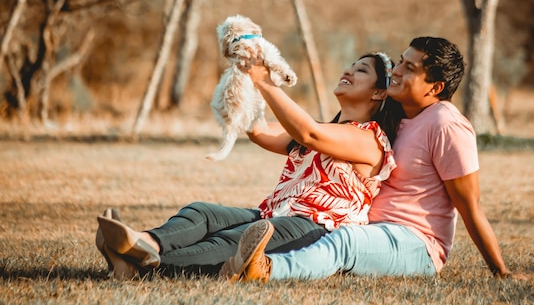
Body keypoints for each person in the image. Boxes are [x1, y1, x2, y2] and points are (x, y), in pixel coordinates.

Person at [222, 36, 532, 283]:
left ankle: (266, 270)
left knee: (346, 241)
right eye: (401, 61)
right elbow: (303, 135)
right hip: (371, 228)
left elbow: (470, 206)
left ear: (436, 87)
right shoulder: (396, 119)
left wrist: (501, 271)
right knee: (336, 234)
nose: (396, 71)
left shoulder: (446, 124)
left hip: (416, 243)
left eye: (410, 69)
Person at [95, 51, 405, 279]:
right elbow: (258, 131)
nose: (348, 71)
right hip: (277, 213)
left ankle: (144, 269)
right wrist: (245, 77)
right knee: (203, 213)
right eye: (350, 65)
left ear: (379, 92)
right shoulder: (327, 131)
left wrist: (267, 83)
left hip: (314, 228)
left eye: (361, 70)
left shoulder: (370, 140)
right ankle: (143, 243)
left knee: (232, 241)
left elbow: (309, 133)